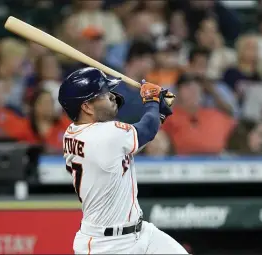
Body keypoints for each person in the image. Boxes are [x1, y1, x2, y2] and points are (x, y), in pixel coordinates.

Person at [58, 67, 187, 254]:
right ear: (86, 107)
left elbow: (131, 145)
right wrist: (151, 100)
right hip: (106, 246)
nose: (111, 96)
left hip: (140, 233)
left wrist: (159, 113)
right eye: (103, 93)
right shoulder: (103, 134)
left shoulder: (73, 132)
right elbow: (146, 130)